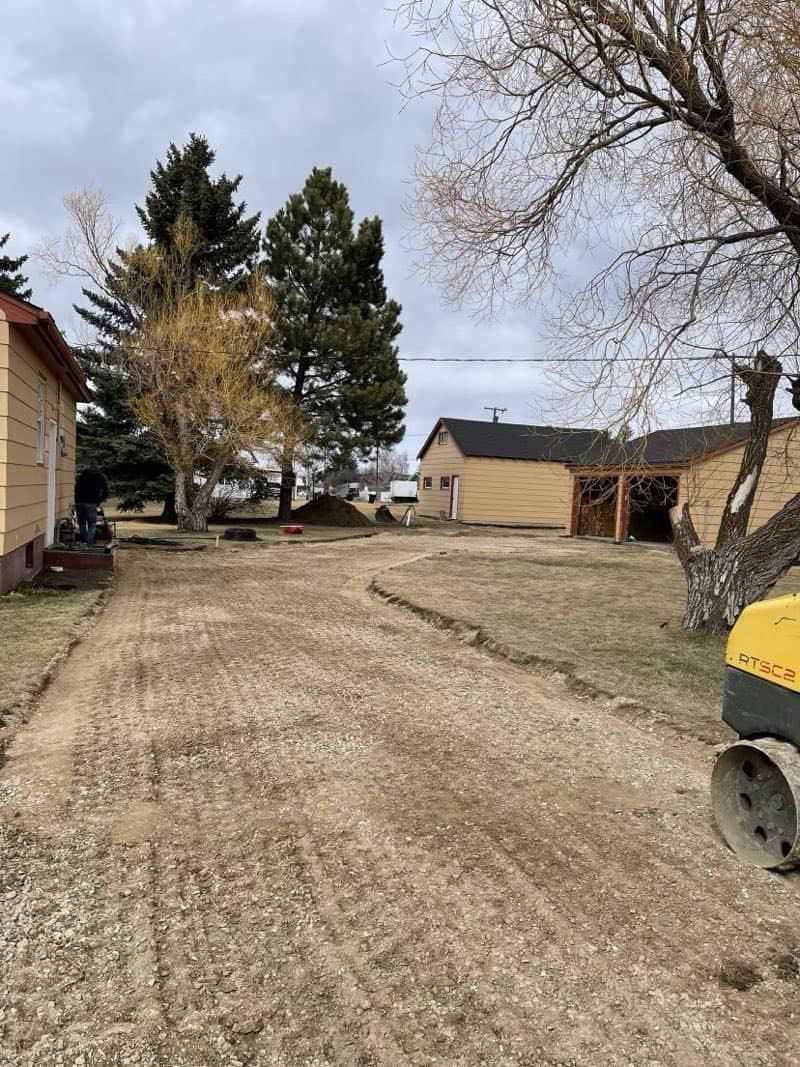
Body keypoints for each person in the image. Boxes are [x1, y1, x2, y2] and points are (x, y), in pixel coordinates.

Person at [74, 465, 109, 547]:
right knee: (92, 525)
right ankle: (89, 544)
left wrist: (77, 500)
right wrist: (99, 500)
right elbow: (105, 491)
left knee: (82, 524)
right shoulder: (100, 477)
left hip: (80, 502)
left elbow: (76, 488)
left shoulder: (83, 475)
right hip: (92, 503)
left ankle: (85, 542)